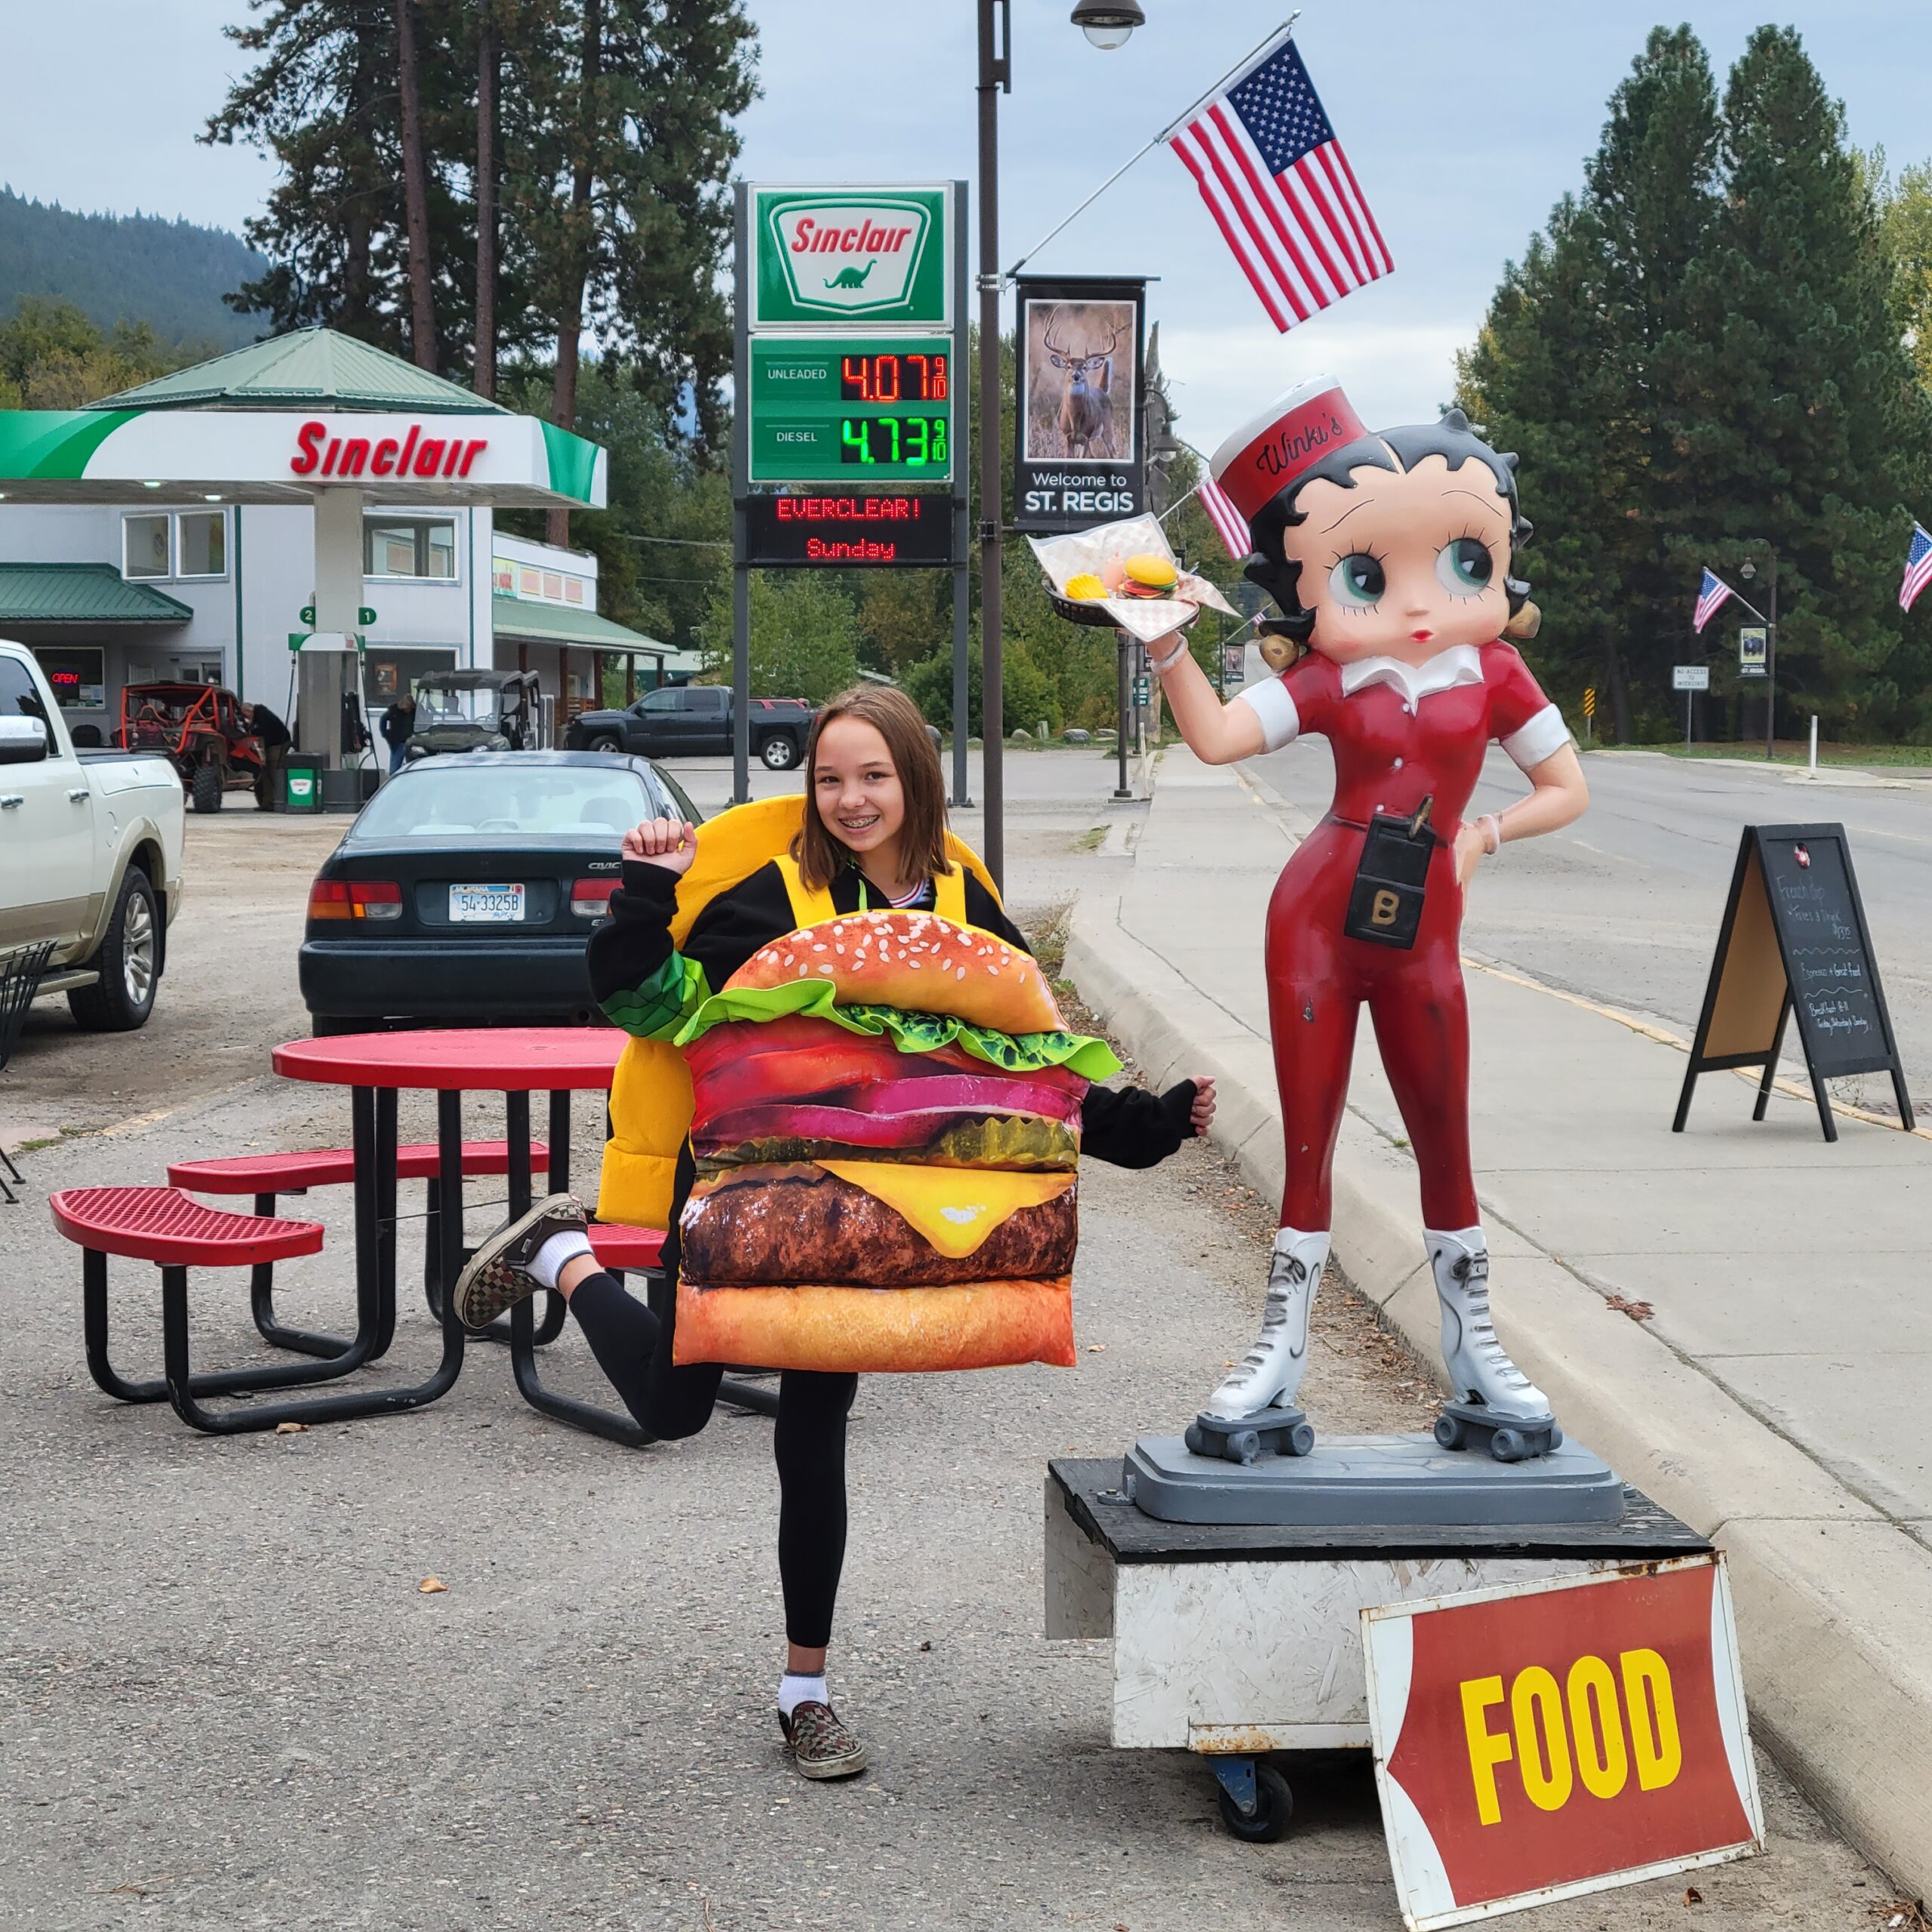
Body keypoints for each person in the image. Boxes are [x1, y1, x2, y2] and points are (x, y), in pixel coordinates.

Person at [448, 685, 1217, 1780]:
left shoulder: (965, 903)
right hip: (746, 1186)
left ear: (915, 780)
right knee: (672, 1412)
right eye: (828, 777)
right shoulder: (775, 893)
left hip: (871, 1213)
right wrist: (642, 893)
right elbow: (652, 1000)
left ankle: (804, 1692)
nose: (850, 799)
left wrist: (1147, 1126)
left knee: (814, 1435)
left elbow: (1024, 1071)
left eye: (873, 776)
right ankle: (564, 1258)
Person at [1149, 380, 1588, 1452]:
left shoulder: (1494, 673)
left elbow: (1567, 787)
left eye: (1464, 560)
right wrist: (1162, 643)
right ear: (1315, 589)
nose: (1421, 599)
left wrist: (1481, 837)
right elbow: (1212, 738)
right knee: (1306, 1143)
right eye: (1364, 574)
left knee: (1446, 1131)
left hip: (1423, 932)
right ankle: (1278, 1358)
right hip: (1314, 924)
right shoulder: (1332, 685)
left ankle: (1476, 1346)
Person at [250, 702, 291, 800]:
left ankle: (273, 800)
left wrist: (251, 731)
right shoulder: (262, 714)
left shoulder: (263, 717)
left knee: (272, 771)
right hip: (278, 742)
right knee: (268, 771)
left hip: (278, 744)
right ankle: (268, 800)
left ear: (250, 711)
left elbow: (262, 730)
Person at [379, 690, 417, 774]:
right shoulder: (394, 711)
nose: (408, 709)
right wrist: (386, 734)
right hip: (398, 742)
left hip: (411, 741)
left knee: (412, 766)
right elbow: (383, 720)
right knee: (395, 767)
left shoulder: (414, 711)